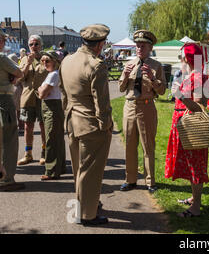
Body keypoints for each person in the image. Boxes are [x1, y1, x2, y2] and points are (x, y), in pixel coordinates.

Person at [59, 24, 113, 226]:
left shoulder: (67, 60)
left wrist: (68, 112)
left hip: (72, 121)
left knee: (79, 170)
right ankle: (87, 215)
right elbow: (102, 103)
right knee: (90, 171)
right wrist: (106, 125)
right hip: (91, 124)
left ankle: (86, 205)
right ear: (100, 44)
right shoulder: (95, 65)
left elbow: (63, 92)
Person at [118, 30, 166, 194]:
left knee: (148, 145)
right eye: (137, 45)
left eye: (143, 46)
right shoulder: (129, 64)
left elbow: (162, 91)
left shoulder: (156, 66)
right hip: (130, 106)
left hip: (146, 107)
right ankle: (130, 179)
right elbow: (121, 87)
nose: (139, 48)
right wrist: (124, 75)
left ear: (150, 47)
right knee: (130, 145)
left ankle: (150, 182)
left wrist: (153, 79)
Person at [165, 43, 209, 218]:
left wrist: (181, 96)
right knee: (192, 164)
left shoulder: (197, 77)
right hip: (184, 126)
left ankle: (196, 208)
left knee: (195, 166)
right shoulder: (192, 75)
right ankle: (194, 198)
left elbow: (200, 106)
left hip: (192, 128)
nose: (181, 60)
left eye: (182, 57)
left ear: (188, 59)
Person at [17, 35, 48, 166]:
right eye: (31, 44)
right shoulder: (24, 59)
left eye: (36, 44)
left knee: (43, 126)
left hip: (43, 97)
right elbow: (20, 78)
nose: (34, 47)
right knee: (27, 127)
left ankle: (44, 153)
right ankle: (28, 154)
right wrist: (28, 63)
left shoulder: (46, 58)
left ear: (41, 45)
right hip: (28, 97)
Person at [0, 30, 25, 192]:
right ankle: (6, 179)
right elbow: (19, 72)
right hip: (3, 99)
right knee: (9, 142)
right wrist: (12, 77)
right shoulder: (2, 58)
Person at [37, 51, 66, 180]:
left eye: (47, 61)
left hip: (51, 107)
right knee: (57, 138)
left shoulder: (53, 75)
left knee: (51, 139)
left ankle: (52, 171)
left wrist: (39, 89)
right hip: (53, 106)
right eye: (42, 61)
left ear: (54, 61)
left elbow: (42, 94)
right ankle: (59, 167)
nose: (44, 63)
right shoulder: (53, 74)